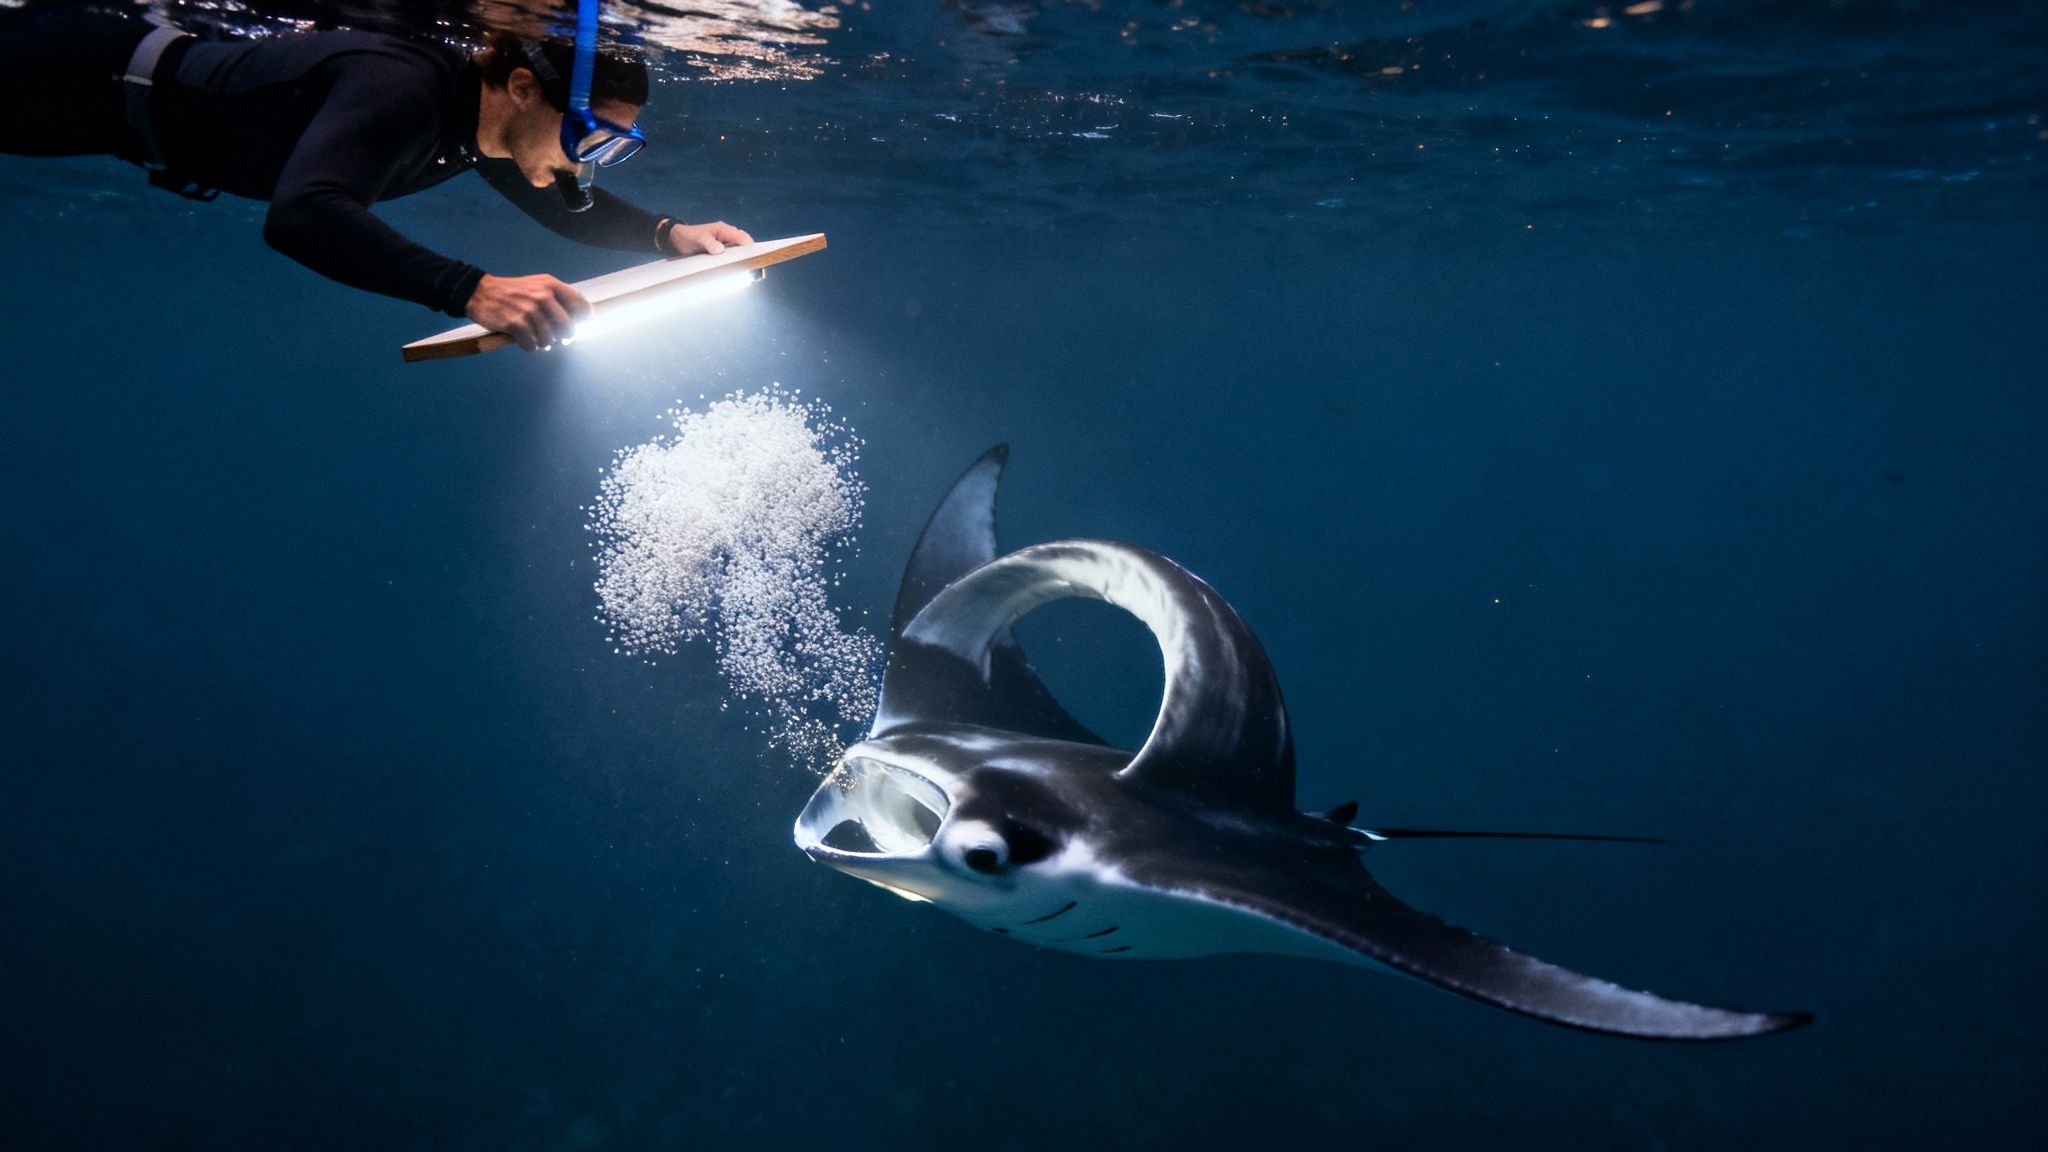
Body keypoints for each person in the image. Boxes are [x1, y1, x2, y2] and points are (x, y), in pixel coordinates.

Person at [0, 9, 752, 351]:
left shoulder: (478, 128)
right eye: (589, 136)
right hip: (73, 68)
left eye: (613, 149)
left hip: (104, 118)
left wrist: (667, 234)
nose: (585, 162)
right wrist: (475, 288)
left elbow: (562, 209)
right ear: (524, 86)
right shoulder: (407, 94)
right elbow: (302, 214)